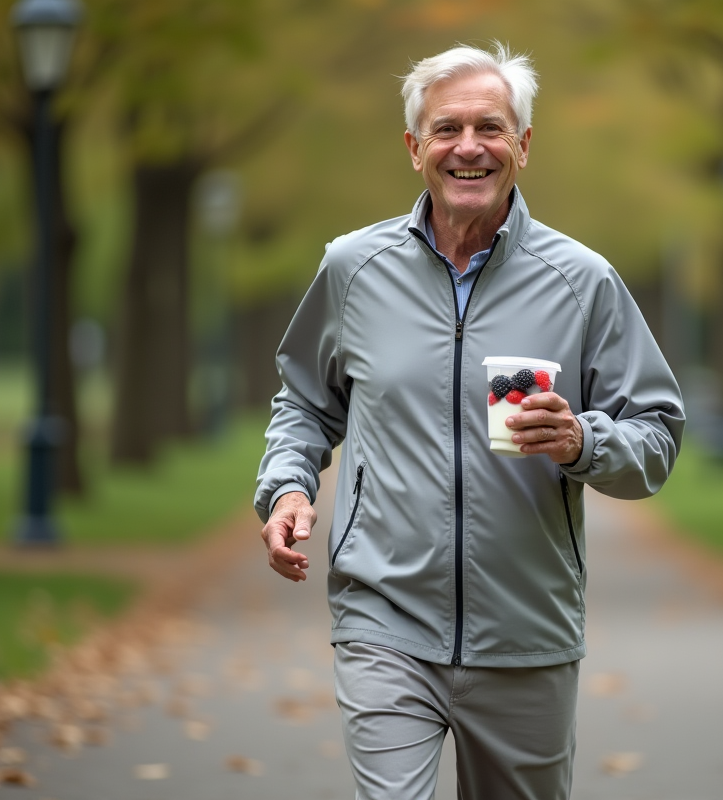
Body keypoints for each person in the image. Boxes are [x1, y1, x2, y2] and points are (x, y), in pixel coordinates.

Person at [255, 42, 684, 800]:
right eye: (447, 128)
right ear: (415, 147)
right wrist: (287, 489)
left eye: (491, 126)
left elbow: (655, 430)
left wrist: (585, 441)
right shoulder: (353, 269)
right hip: (382, 616)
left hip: (526, 631)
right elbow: (304, 401)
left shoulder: (583, 282)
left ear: (523, 145)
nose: (469, 146)